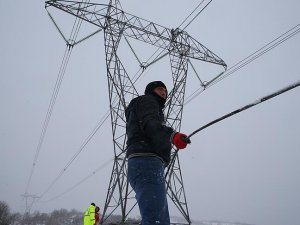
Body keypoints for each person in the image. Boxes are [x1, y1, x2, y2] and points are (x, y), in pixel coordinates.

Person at [125, 81, 190, 225]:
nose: (164, 93)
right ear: (150, 91)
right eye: (160, 89)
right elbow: (150, 123)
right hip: (147, 162)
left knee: (157, 218)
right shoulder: (148, 101)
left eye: (165, 91)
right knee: (157, 220)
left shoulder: (142, 106)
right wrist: (172, 135)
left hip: (142, 164)